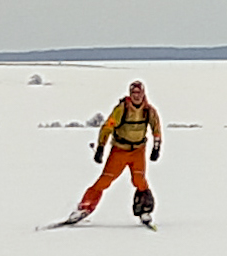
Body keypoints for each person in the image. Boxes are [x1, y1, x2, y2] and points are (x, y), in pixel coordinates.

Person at [61, 80, 162, 226]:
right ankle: (84, 207)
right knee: (105, 180)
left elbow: (156, 129)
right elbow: (107, 127)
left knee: (139, 180)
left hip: (138, 151)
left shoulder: (149, 111)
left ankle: (144, 210)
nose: (136, 96)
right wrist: (101, 147)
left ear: (143, 94)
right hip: (119, 150)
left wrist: (156, 147)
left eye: (139, 93)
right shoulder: (122, 109)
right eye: (133, 93)